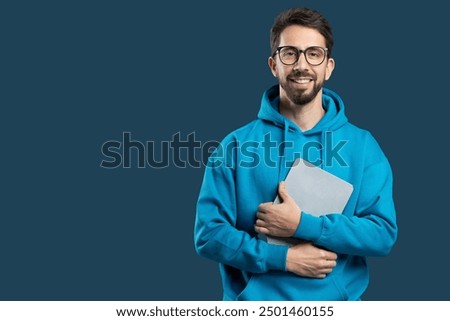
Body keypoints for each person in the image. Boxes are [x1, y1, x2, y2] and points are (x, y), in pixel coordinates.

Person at [194, 7, 398, 301]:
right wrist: (283, 259)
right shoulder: (235, 146)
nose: (301, 64)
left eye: (313, 54)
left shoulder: (363, 147)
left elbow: (382, 235)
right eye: (289, 53)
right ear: (273, 64)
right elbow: (208, 235)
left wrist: (303, 225)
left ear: (328, 66)